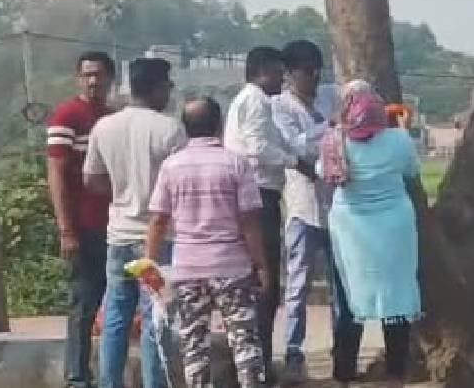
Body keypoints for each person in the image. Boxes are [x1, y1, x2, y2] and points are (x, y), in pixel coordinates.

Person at [146, 97, 270, 388]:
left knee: (194, 345)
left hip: (188, 268)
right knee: (245, 343)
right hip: (233, 267)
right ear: (219, 124)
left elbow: (157, 221)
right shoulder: (236, 164)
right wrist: (261, 266)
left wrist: (149, 267)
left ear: (185, 128)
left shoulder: (171, 166)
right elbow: (249, 222)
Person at [83, 58, 187, 388]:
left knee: (116, 316)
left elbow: (91, 179)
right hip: (156, 240)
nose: (169, 92)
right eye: (168, 86)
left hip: (118, 236)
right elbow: (181, 187)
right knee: (155, 317)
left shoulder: (105, 126)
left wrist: (122, 194)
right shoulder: (169, 128)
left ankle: (110, 383)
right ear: (156, 87)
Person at [319, 81, 422, 387]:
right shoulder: (399, 140)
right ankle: (395, 375)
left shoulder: (334, 141)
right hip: (394, 227)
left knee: (350, 297)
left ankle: (343, 374)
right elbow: (411, 172)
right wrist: (402, 128)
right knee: (397, 299)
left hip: (350, 228)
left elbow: (322, 172)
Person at [223, 46, 309, 382]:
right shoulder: (257, 100)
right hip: (258, 195)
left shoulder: (249, 100)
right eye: (277, 72)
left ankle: (253, 361)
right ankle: (257, 365)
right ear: (261, 72)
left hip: (254, 194)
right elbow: (257, 148)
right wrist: (295, 161)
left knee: (258, 284)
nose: (282, 79)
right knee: (266, 282)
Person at [271, 41, 341, 385]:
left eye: (317, 71)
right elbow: (294, 145)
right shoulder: (278, 106)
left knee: (341, 284)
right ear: (290, 75)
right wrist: (330, 125)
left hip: (337, 205)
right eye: (306, 73)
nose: (313, 79)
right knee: (297, 284)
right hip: (302, 207)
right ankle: (294, 353)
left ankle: (342, 351)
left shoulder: (332, 94)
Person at [47, 51, 117, 388]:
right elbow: (57, 174)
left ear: (110, 79)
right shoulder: (68, 115)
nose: (93, 81)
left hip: (113, 226)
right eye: (87, 75)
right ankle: (76, 377)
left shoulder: (112, 117)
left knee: (117, 301)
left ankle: (106, 374)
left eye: (99, 75)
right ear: (78, 78)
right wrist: (66, 229)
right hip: (83, 225)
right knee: (83, 302)